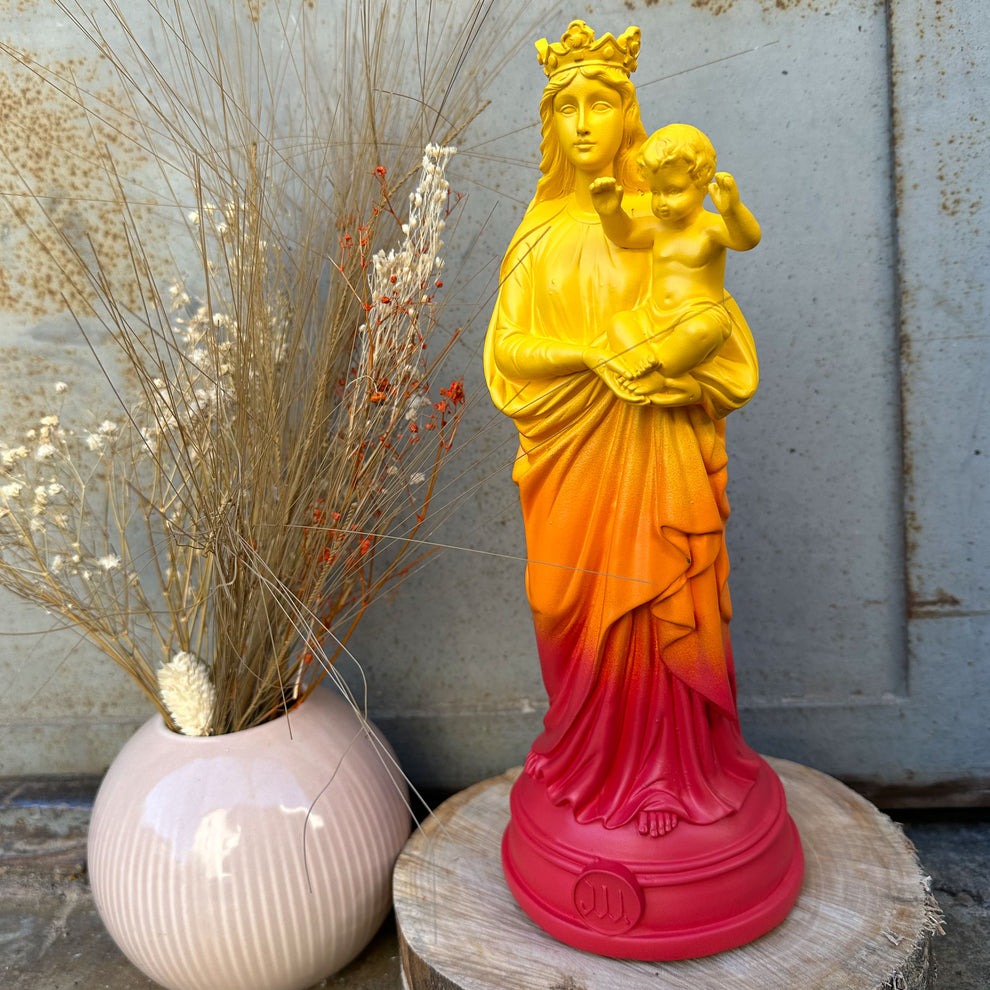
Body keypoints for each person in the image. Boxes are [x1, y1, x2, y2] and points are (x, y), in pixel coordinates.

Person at [484, 20, 763, 840]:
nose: (582, 122)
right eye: (565, 106)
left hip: (657, 453)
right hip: (569, 460)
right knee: (564, 602)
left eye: (599, 103)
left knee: (658, 604)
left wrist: (673, 370)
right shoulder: (537, 238)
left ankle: (670, 775)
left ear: (628, 113)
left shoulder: (666, 218)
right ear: (549, 122)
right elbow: (508, 351)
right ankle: (586, 763)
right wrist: (590, 355)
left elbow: (718, 330)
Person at [590, 123, 761, 403]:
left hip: (698, 314)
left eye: (673, 191)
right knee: (620, 323)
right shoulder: (659, 228)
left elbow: (747, 240)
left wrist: (733, 211)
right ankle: (644, 359)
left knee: (700, 331)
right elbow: (626, 235)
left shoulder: (711, 227)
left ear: (702, 183)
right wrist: (610, 213)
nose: (661, 202)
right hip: (654, 315)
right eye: (656, 192)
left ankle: (659, 374)